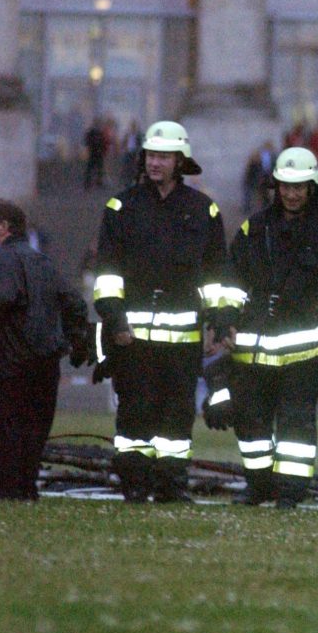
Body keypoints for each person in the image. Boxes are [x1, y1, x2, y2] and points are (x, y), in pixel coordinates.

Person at [91, 120, 231, 503]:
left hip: (184, 341)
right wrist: (114, 318)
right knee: (134, 414)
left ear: (180, 161)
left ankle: (171, 484)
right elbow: (107, 273)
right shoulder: (122, 207)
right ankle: (134, 484)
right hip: (131, 337)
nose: (155, 163)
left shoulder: (204, 210)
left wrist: (218, 323)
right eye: (151, 155)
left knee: (176, 417)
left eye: (163, 156)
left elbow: (218, 275)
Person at [216, 147, 318, 507]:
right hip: (253, 347)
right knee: (252, 425)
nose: (292, 194)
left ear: (313, 188)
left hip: (305, 352)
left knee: (297, 425)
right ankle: (258, 485)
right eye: (285, 186)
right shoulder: (253, 229)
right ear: (275, 186)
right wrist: (223, 321)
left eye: (299, 187)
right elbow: (231, 283)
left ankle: (291, 493)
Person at [0, 199, 86, 501]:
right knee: (33, 431)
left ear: (4, 227)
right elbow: (74, 302)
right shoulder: (42, 261)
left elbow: (1, 300)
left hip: (8, 364)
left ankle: (5, 490)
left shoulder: (3, 260)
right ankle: (26, 488)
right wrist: (69, 339)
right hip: (44, 363)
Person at [83, 118, 108, 189]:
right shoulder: (98, 133)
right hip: (97, 152)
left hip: (94, 152)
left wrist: (89, 147)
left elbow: (87, 141)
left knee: (92, 168)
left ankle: (90, 183)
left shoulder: (92, 132)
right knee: (97, 168)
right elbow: (103, 142)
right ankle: (95, 182)